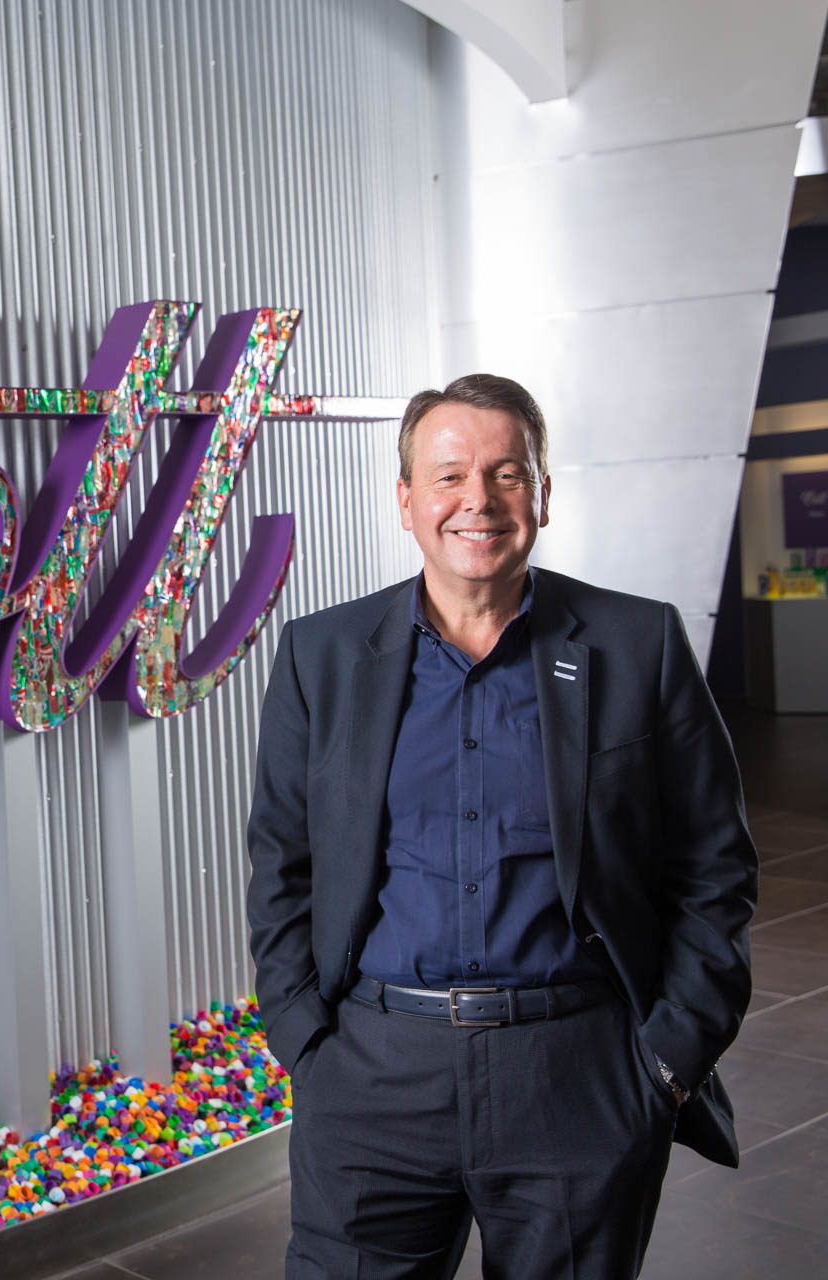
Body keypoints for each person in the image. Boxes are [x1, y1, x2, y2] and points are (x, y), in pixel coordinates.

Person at [244, 374, 757, 1277]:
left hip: (577, 1077)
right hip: (371, 1076)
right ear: (405, 501)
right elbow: (283, 863)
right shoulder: (321, 656)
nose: (477, 500)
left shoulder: (640, 644)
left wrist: (667, 1065)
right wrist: (305, 1043)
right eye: (448, 477)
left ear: (544, 496)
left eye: (508, 473)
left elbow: (716, 870)